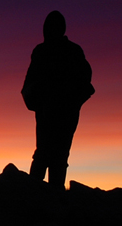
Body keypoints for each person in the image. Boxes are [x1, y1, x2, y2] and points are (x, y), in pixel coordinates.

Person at [21, 11, 94, 189]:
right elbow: (30, 84)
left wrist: (71, 100)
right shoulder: (43, 51)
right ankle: (38, 195)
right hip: (49, 111)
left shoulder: (70, 52)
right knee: (48, 155)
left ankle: (44, 196)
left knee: (55, 156)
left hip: (63, 112)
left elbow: (85, 80)